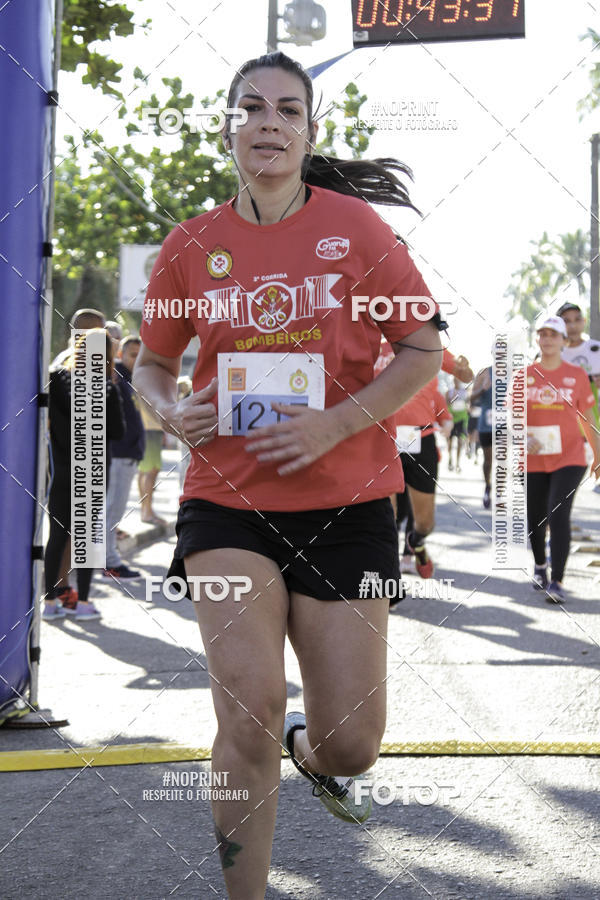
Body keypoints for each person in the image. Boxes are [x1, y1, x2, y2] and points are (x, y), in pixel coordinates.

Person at [133, 51, 443, 900]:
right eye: (252, 108)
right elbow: (153, 365)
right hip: (226, 501)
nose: (268, 121)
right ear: (228, 125)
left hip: (348, 503)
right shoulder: (190, 244)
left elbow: (423, 349)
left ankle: (313, 754)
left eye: (287, 110)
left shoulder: (361, 233)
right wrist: (168, 407)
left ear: (308, 132)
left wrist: (337, 423)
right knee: (247, 704)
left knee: (354, 746)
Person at [43, 329, 124, 620]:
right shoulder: (106, 388)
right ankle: (83, 604)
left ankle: (50, 603)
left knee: (56, 536)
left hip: (63, 469)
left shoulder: (56, 380)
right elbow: (118, 431)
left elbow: (48, 423)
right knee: (87, 539)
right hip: (93, 471)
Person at [526, 315, 600, 603]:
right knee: (536, 517)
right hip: (533, 459)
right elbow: (510, 415)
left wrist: (597, 454)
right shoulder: (524, 375)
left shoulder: (577, 375)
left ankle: (556, 581)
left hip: (570, 457)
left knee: (558, 514)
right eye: (542, 334)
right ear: (537, 339)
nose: (547, 339)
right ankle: (540, 565)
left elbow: (588, 416)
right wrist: (522, 435)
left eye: (553, 335)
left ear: (563, 341)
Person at [49, 308, 106, 607]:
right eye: (101, 331)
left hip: (78, 460)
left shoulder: (88, 363)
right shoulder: (66, 365)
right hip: (73, 462)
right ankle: (63, 589)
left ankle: (64, 588)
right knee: (69, 530)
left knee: (72, 531)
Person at [393, 377, 452, 580]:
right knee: (389, 515)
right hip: (387, 441)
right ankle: (390, 575)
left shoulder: (429, 382)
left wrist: (448, 426)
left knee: (424, 522)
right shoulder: (380, 361)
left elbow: (446, 418)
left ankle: (415, 542)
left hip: (422, 443)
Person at [102, 335, 145, 579]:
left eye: (141, 355)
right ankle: (109, 561)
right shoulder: (116, 378)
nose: (136, 359)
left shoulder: (128, 379)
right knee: (111, 511)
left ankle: (109, 558)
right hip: (118, 455)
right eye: (132, 354)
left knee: (114, 512)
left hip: (126, 455)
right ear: (121, 355)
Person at [137, 403, 166, 525]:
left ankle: (146, 510)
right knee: (151, 471)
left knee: (144, 471)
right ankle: (147, 512)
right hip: (151, 427)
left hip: (146, 426)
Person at [471, 364, 493, 508]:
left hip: (506, 423)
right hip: (487, 423)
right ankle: (488, 486)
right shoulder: (484, 373)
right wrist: (482, 389)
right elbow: (471, 398)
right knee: (488, 460)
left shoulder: (513, 372)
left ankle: (499, 493)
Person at [446, 376, 469, 472]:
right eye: (455, 380)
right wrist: (452, 398)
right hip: (451, 419)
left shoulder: (465, 392)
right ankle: (450, 458)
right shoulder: (449, 392)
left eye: (458, 380)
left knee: (460, 441)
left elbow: (468, 403)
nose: (456, 382)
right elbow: (446, 403)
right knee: (450, 442)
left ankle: (458, 463)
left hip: (462, 420)